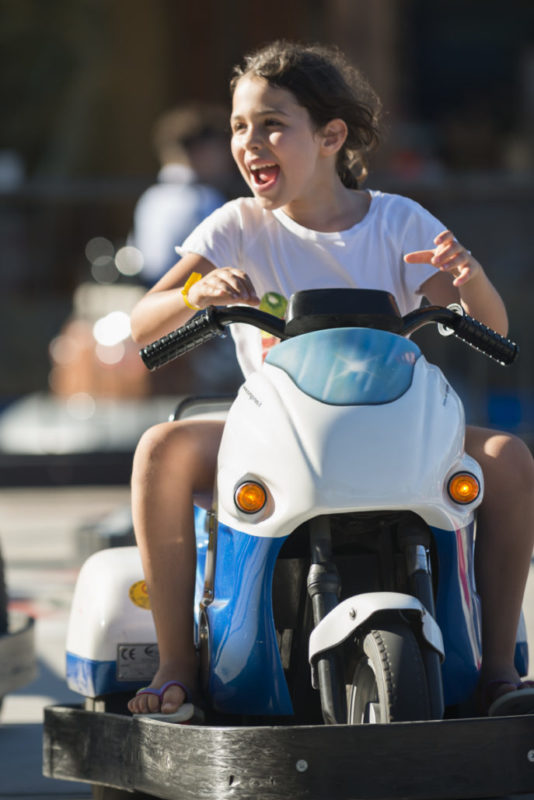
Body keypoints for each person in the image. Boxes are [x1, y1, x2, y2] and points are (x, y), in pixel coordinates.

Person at [127, 41, 534, 720]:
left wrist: (470, 279)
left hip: (396, 426)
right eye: (239, 126)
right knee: (159, 451)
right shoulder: (236, 225)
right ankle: (178, 665)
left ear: (330, 136)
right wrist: (196, 293)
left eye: (271, 125)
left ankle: (497, 671)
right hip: (276, 432)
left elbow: (488, 328)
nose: (249, 142)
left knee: (508, 458)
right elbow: (143, 323)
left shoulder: (398, 220)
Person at [131, 104, 234, 285]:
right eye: (221, 150)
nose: (228, 160)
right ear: (201, 152)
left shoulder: (151, 197)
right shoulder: (204, 199)